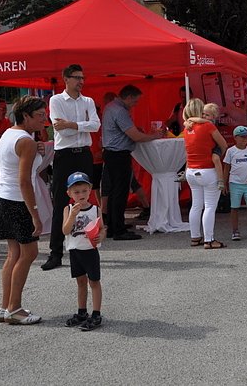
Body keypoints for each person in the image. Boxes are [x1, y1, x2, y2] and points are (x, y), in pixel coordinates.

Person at [0, 96, 46, 324]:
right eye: (40, 116)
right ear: (26, 116)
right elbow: (24, 181)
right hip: (17, 201)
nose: (45, 120)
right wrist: (35, 213)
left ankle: (6, 307)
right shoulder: (25, 141)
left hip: (4, 199)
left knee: (14, 254)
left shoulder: (10, 134)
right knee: (29, 254)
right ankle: (14, 308)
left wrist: (37, 150)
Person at [43, 64, 100, 271]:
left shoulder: (88, 101)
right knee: (60, 203)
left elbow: (95, 125)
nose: (81, 82)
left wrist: (72, 124)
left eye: (83, 78)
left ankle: (87, 245)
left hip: (83, 153)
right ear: (66, 79)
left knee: (85, 199)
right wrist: (79, 126)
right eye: (77, 78)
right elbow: (62, 132)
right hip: (65, 155)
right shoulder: (56, 100)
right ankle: (55, 252)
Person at [101, 85, 162, 241]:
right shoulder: (120, 111)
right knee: (120, 193)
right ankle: (119, 230)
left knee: (115, 192)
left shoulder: (111, 107)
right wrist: (153, 135)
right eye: (134, 101)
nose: (135, 104)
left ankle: (114, 226)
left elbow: (129, 132)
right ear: (127, 97)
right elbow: (135, 136)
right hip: (118, 155)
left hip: (112, 154)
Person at [61, 172, 104, 330]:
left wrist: (101, 235)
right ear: (69, 193)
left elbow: (102, 228)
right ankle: (82, 311)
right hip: (75, 250)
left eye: (84, 191)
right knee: (80, 282)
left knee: (94, 281)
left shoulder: (95, 209)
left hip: (90, 250)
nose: (81, 195)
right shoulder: (68, 208)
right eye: (77, 192)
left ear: (90, 190)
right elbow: (65, 230)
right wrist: (72, 215)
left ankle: (96, 313)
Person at [183, 98, 227, 249]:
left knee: (196, 205)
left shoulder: (187, 127)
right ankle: (209, 239)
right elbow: (223, 144)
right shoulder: (207, 126)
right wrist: (216, 154)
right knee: (209, 206)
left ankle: (195, 236)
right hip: (207, 170)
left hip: (191, 171)